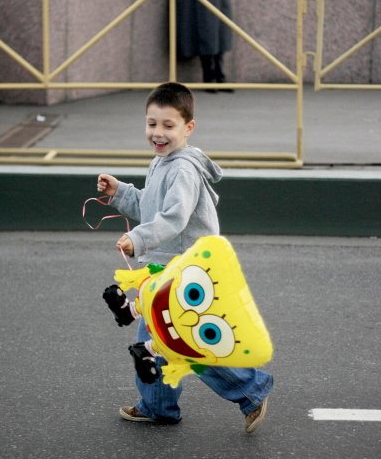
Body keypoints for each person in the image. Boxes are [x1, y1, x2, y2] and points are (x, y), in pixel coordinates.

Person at [97, 82, 272, 433]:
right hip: (166, 272)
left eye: (168, 125)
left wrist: (138, 237)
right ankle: (158, 406)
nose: (157, 133)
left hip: (184, 274)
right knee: (162, 342)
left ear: (188, 128)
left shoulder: (183, 169)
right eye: (152, 124)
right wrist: (120, 194)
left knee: (184, 344)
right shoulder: (163, 161)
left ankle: (251, 391)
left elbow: (173, 217)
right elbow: (151, 206)